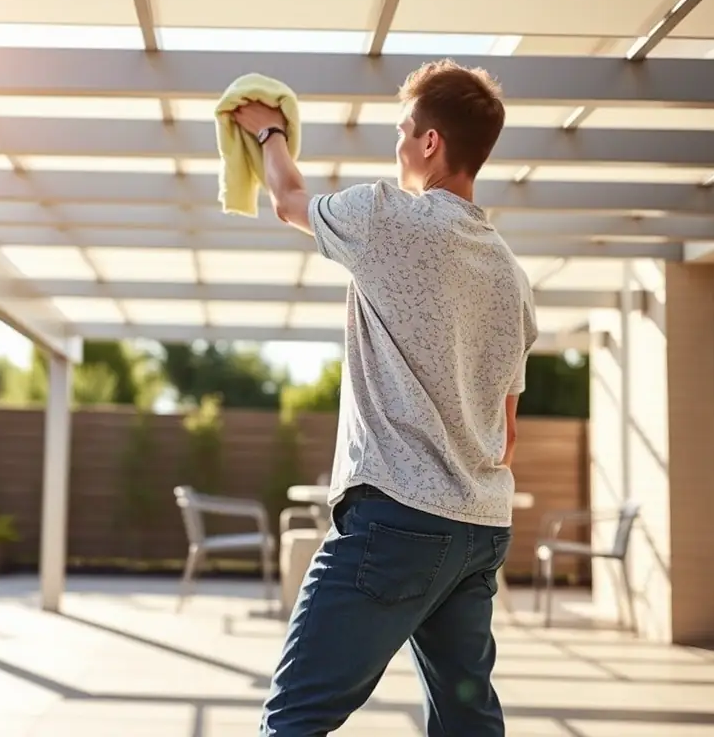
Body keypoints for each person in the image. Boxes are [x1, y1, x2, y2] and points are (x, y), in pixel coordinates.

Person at [231, 58, 538, 736]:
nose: (398, 144)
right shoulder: (512, 276)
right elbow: (506, 435)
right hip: (481, 529)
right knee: (467, 721)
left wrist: (266, 133)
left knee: (294, 718)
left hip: (395, 524)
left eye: (405, 129)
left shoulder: (385, 217)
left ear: (431, 142)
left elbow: (288, 201)